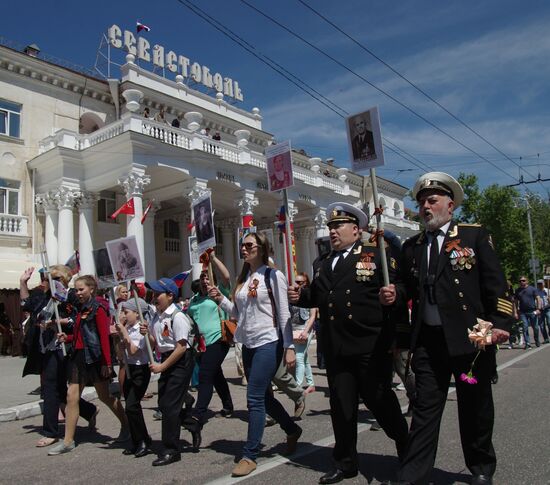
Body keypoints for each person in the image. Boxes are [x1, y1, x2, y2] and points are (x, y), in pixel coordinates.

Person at [388, 172, 514, 485]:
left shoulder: (473, 236)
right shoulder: (412, 246)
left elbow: (496, 284)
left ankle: (481, 467)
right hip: (430, 340)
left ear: (450, 205)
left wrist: (499, 325)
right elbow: (405, 286)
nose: (425, 207)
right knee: (425, 409)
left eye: (432, 201)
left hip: (472, 335)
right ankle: (412, 474)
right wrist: (395, 293)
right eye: (421, 203)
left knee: (475, 406)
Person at [289, 202, 408, 484]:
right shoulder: (322, 264)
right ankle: (345, 463)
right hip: (336, 347)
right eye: (330, 227)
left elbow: (401, 286)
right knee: (342, 408)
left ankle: (405, 443)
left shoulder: (375, 254)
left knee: (379, 400)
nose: (332, 231)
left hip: (369, 343)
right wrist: (300, 296)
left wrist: (395, 297)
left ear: (356, 230)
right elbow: (318, 297)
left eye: (338, 226)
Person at [209, 231, 301, 478]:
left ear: (261, 248)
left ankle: (250, 455)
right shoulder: (244, 279)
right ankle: (292, 429)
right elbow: (237, 313)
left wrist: (289, 346)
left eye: (249, 244)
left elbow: (284, 313)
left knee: (254, 399)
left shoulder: (274, 275)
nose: (244, 248)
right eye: (242, 245)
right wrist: (219, 299)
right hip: (248, 343)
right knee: (265, 398)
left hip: (269, 342)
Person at [20, 266, 99, 448]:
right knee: (56, 389)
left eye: (47, 279)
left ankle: (51, 432)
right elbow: (26, 304)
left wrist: (57, 322)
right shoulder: (43, 297)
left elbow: (78, 318)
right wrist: (23, 282)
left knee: (52, 388)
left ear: (59, 280)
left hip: (66, 347)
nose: (44, 282)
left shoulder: (70, 296)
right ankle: (90, 410)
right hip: (47, 349)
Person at [49, 275, 128, 455]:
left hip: (95, 358)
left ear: (91, 289)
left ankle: (127, 425)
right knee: (71, 396)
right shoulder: (79, 308)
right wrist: (67, 337)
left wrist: (107, 363)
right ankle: (68, 441)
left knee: (105, 396)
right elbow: (79, 334)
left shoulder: (98, 309)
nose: (78, 293)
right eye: (76, 290)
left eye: (81, 289)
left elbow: (103, 337)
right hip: (78, 358)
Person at [143, 277, 197, 466]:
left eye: (158, 294)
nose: (154, 297)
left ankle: (171, 450)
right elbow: (156, 343)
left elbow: (181, 347)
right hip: (167, 358)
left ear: (170, 296)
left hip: (180, 360)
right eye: (154, 293)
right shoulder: (157, 316)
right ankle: (193, 424)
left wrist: (161, 367)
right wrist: (147, 334)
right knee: (165, 404)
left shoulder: (178, 316)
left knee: (169, 406)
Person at [183, 252, 234, 444]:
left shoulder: (217, 292)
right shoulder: (194, 300)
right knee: (216, 375)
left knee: (205, 376)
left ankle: (198, 415)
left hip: (218, 340)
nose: (205, 281)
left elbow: (227, 276)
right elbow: (191, 320)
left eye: (207, 278)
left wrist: (212, 259)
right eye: (202, 279)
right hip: (201, 344)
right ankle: (228, 405)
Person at [117, 298, 152, 458]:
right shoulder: (129, 329)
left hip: (140, 370)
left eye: (127, 312)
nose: (124, 315)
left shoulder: (140, 329)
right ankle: (137, 440)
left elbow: (133, 350)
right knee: (130, 407)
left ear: (137, 314)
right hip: (129, 368)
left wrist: (124, 333)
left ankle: (143, 440)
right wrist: (121, 337)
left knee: (132, 405)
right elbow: (121, 353)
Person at [290, 273, 316, 393]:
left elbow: (312, 316)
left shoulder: (311, 294)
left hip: (306, 329)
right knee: (304, 358)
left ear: (306, 283)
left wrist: (306, 331)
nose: (297, 284)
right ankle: (310, 384)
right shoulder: (293, 295)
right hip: (294, 330)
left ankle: (298, 386)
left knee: (299, 357)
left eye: (300, 282)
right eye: (296, 282)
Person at [514, 276, 542, 349]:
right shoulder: (518, 290)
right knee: (525, 327)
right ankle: (528, 343)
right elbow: (515, 302)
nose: (521, 282)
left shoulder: (532, 289)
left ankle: (536, 340)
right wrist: (515, 312)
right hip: (523, 312)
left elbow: (538, 299)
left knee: (535, 327)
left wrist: (538, 309)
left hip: (532, 311)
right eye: (520, 281)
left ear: (527, 281)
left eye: (523, 280)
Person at [535, 279, 550, 344]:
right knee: (541, 325)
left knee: (549, 322)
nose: (540, 285)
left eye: (541, 283)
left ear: (544, 284)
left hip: (547, 308)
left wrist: (549, 299)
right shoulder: (536, 291)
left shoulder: (548, 291)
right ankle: (546, 338)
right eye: (538, 284)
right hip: (540, 310)